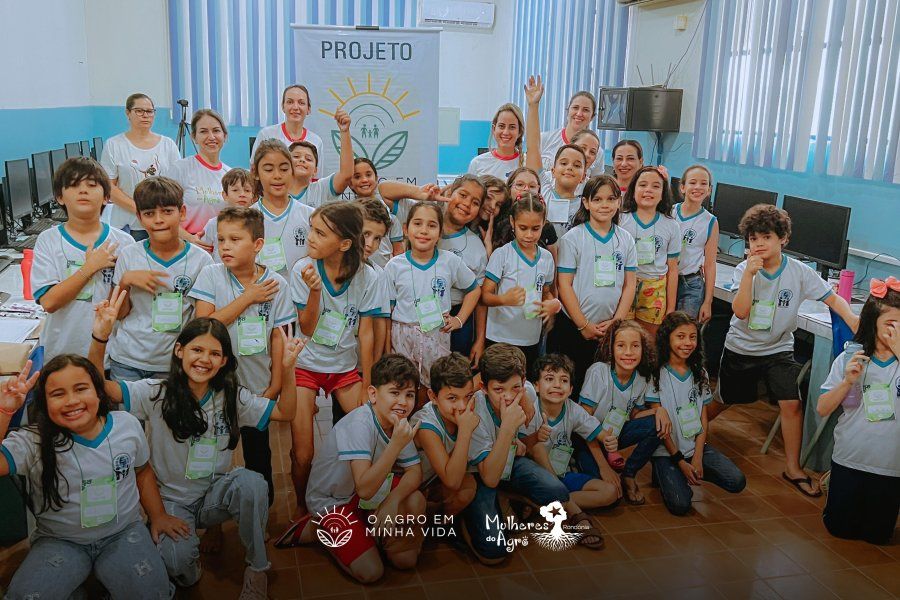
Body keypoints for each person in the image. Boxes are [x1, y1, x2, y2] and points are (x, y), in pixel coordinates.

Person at [89, 290, 304, 598]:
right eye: (196, 350)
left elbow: (285, 412)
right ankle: (189, 566)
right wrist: (100, 338)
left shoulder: (232, 396)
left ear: (224, 361)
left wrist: (289, 369)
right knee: (178, 565)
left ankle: (258, 568)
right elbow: (101, 389)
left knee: (253, 483)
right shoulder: (157, 392)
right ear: (179, 351)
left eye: (214, 354)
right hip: (172, 501)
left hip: (214, 495)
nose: (204, 359)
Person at [709, 204, 859, 497]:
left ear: (783, 239)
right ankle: (692, 431)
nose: (759, 244)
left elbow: (832, 299)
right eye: (753, 239)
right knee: (724, 400)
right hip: (742, 348)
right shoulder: (744, 269)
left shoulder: (800, 272)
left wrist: (854, 320)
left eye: (765, 237)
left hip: (779, 349)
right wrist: (749, 276)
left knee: (791, 404)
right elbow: (740, 312)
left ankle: (792, 467)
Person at [0, 358, 173, 599]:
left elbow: (142, 470)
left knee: (153, 594)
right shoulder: (33, 441)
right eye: (58, 394)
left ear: (99, 393)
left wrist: (158, 515)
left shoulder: (127, 426)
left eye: (81, 389)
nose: (72, 401)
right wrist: (5, 411)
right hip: (60, 539)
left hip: (122, 532)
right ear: (44, 403)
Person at [283, 354, 426, 583]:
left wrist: (393, 501)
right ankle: (317, 528)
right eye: (394, 393)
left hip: (361, 495)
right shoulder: (360, 423)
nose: (403, 402)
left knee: (406, 555)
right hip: (333, 500)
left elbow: (415, 472)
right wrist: (397, 444)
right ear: (372, 394)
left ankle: (367, 526)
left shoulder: (398, 421)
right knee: (371, 572)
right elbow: (365, 489)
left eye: (409, 395)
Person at [190, 206, 297, 506]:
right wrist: (248, 297)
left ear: (258, 245)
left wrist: (275, 385)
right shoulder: (211, 275)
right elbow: (203, 326)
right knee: (212, 452)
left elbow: (280, 337)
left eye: (235, 239)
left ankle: (260, 512)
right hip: (212, 387)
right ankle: (209, 520)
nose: (225, 246)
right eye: (221, 239)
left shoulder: (278, 284)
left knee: (259, 455)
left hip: (256, 385)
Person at [286, 202, 383, 522]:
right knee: (304, 453)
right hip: (305, 366)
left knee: (365, 437)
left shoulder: (367, 276)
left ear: (344, 243)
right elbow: (308, 328)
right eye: (311, 229)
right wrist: (315, 291)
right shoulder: (304, 269)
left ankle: (358, 502)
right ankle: (302, 506)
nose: (310, 237)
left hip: (344, 369)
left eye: (319, 232)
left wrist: (367, 381)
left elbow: (366, 334)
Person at [462, 344, 568, 564]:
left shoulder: (527, 392)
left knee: (558, 494)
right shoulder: (475, 411)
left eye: (515, 388)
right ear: (483, 387)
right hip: (480, 475)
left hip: (511, 463)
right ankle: (466, 518)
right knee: (494, 553)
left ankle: (507, 497)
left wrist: (524, 438)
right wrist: (508, 430)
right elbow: (489, 478)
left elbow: (528, 444)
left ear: (524, 381)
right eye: (499, 390)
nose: (509, 397)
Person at [818, 277, 899, 544]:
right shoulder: (850, 358)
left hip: (891, 468)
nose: (897, 331)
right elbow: (823, 408)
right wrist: (847, 382)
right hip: (849, 459)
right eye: (891, 324)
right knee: (839, 529)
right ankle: (834, 483)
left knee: (878, 536)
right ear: (872, 323)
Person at [109, 177, 213, 381]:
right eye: (149, 214)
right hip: (127, 361)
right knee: (126, 414)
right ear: (139, 217)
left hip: (174, 363)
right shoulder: (129, 255)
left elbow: (202, 321)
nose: (158, 220)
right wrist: (126, 282)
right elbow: (118, 315)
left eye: (167, 211)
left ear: (182, 213)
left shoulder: (201, 261)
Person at [32, 157, 133, 361]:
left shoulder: (124, 242)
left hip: (109, 354)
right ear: (60, 197)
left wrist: (124, 281)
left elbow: (123, 312)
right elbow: (49, 302)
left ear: (106, 197)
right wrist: (90, 268)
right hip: (61, 353)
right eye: (74, 185)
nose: (83, 190)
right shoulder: (48, 240)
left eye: (92, 185)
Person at [649, 312, 746, 515]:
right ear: (667, 338)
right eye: (680, 336)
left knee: (736, 481)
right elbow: (659, 426)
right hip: (667, 452)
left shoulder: (699, 371)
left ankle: (688, 472)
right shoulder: (655, 373)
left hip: (694, 448)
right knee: (680, 505)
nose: (687, 343)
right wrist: (680, 462)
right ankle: (665, 472)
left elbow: (703, 418)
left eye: (692, 337)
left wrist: (698, 457)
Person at [550, 175, 637, 397]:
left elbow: (629, 285)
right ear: (586, 203)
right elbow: (565, 285)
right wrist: (583, 324)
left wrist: (617, 322)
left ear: (619, 202)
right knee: (572, 385)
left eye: (611, 199)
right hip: (575, 327)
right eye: (597, 199)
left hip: (609, 329)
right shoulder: (573, 238)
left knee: (600, 389)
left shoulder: (625, 239)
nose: (604, 205)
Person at [384, 202, 480, 396]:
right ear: (406, 228)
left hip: (437, 335)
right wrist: (387, 349)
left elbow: (474, 289)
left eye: (432, 225)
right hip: (402, 336)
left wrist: (459, 319)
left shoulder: (450, 261)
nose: (424, 231)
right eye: (417, 223)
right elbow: (387, 312)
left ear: (440, 231)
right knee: (403, 389)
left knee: (435, 389)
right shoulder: (394, 266)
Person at [529, 354, 618, 548]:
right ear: (536, 385)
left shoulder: (573, 409)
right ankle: (573, 511)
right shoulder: (530, 409)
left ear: (570, 389)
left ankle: (548, 505)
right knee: (538, 448)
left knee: (609, 492)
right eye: (549, 379)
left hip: (563, 475)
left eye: (563, 380)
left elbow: (598, 432)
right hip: (535, 478)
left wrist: (608, 440)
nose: (556, 385)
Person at [578, 319, 668, 505]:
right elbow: (582, 424)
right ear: (611, 349)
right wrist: (604, 468)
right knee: (605, 490)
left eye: (635, 346)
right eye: (621, 345)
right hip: (588, 440)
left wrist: (659, 412)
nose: (628, 352)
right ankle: (579, 462)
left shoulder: (643, 379)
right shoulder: (598, 372)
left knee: (656, 424)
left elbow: (634, 415)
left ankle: (629, 473)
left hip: (614, 437)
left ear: (643, 349)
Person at [482, 193, 560, 373]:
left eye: (535, 228)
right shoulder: (502, 255)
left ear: (544, 224)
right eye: (523, 228)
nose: (529, 235)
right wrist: (503, 300)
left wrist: (551, 305)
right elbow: (485, 296)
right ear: (512, 222)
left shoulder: (546, 258)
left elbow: (547, 291)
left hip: (530, 338)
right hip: (499, 337)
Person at [100, 92, 180, 241]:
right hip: (128, 224)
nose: (145, 115)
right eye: (139, 111)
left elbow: (177, 184)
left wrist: (157, 212)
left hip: (163, 223)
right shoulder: (114, 144)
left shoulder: (168, 145)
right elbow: (109, 186)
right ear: (128, 113)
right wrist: (140, 210)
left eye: (149, 111)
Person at [410, 353, 479, 517]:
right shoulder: (426, 426)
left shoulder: (465, 410)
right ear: (433, 397)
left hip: (431, 480)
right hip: (402, 486)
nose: (462, 406)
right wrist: (465, 431)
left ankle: (438, 527)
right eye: (452, 398)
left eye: (468, 396)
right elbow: (452, 481)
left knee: (468, 487)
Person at [524, 76, 588, 240]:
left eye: (576, 165)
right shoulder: (544, 191)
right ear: (553, 170)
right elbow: (533, 148)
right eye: (564, 163)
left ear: (584, 176)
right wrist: (533, 106)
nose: (569, 168)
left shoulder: (586, 205)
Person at [619, 166, 681, 336]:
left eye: (656, 186)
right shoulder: (620, 220)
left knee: (649, 341)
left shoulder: (671, 225)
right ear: (633, 191)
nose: (648, 190)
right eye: (643, 185)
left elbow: (673, 269)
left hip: (655, 288)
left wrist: (670, 308)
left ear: (663, 193)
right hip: (625, 285)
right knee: (624, 337)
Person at [436, 175, 488, 360]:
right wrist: (424, 195)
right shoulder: (426, 225)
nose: (466, 204)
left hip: (459, 319)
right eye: (463, 195)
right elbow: (385, 190)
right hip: (418, 315)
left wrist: (479, 339)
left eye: (475, 202)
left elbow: (480, 298)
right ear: (450, 191)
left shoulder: (476, 247)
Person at [164, 109, 230, 248]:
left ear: (224, 136)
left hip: (220, 248)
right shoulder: (180, 169)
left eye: (216, 131)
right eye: (204, 131)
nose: (211, 137)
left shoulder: (230, 175)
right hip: (185, 245)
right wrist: (190, 239)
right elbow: (164, 213)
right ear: (194, 137)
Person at [250, 139, 313, 277]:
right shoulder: (246, 218)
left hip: (303, 297)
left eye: (284, 169)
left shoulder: (310, 216)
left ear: (292, 171)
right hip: (260, 297)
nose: (277, 176)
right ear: (255, 173)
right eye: (268, 169)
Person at [673, 165, 718, 321]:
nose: (698, 187)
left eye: (703, 183)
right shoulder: (669, 213)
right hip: (665, 280)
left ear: (709, 190)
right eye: (693, 182)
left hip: (691, 285)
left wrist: (708, 301)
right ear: (683, 187)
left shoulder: (710, 221)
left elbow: (710, 264)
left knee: (683, 330)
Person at [251, 84, 324, 178]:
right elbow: (254, 172)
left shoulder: (316, 141)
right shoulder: (266, 135)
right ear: (283, 107)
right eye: (290, 102)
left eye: (301, 103)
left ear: (308, 109)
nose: (295, 107)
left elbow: (316, 179)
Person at [287, 109, 354, 209]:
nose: (302, 160)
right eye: (296, 156)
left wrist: (344, 131)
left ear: (315, 171)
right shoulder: (276, 190)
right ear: (285, 164)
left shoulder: (321, 189)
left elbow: (346, 174)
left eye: (308, 159)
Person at [540, 90, 604, 175]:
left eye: (585, 110)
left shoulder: (596, 152)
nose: (579, 113)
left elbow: (597, 185)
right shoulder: (544, 139)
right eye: (575, 108)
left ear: (592, 117)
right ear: (568, 110)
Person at [200, 167, 255, 258]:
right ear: (225, 195)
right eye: (235, 190)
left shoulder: (258, 223)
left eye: (247, 190)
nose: (242, 194)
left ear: (253, 196)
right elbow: (204, 255)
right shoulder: (213, 224)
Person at [467, 103, 525, 179]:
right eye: (501, 126)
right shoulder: (477, 163)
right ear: (494, 129)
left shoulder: (528, 163)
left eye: (512, 127)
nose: (506, 132)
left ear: (520, 132)